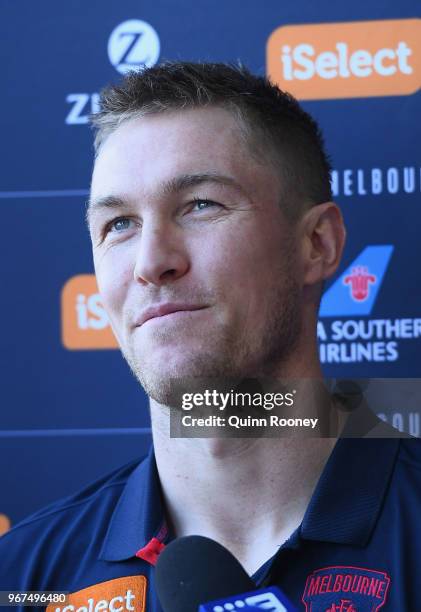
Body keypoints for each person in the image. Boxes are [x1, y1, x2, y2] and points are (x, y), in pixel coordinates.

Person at [0, 61, 420, 611]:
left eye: (201, 205)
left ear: (317, 245)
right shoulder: (25, 576)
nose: (151, 262)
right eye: (119, 224)